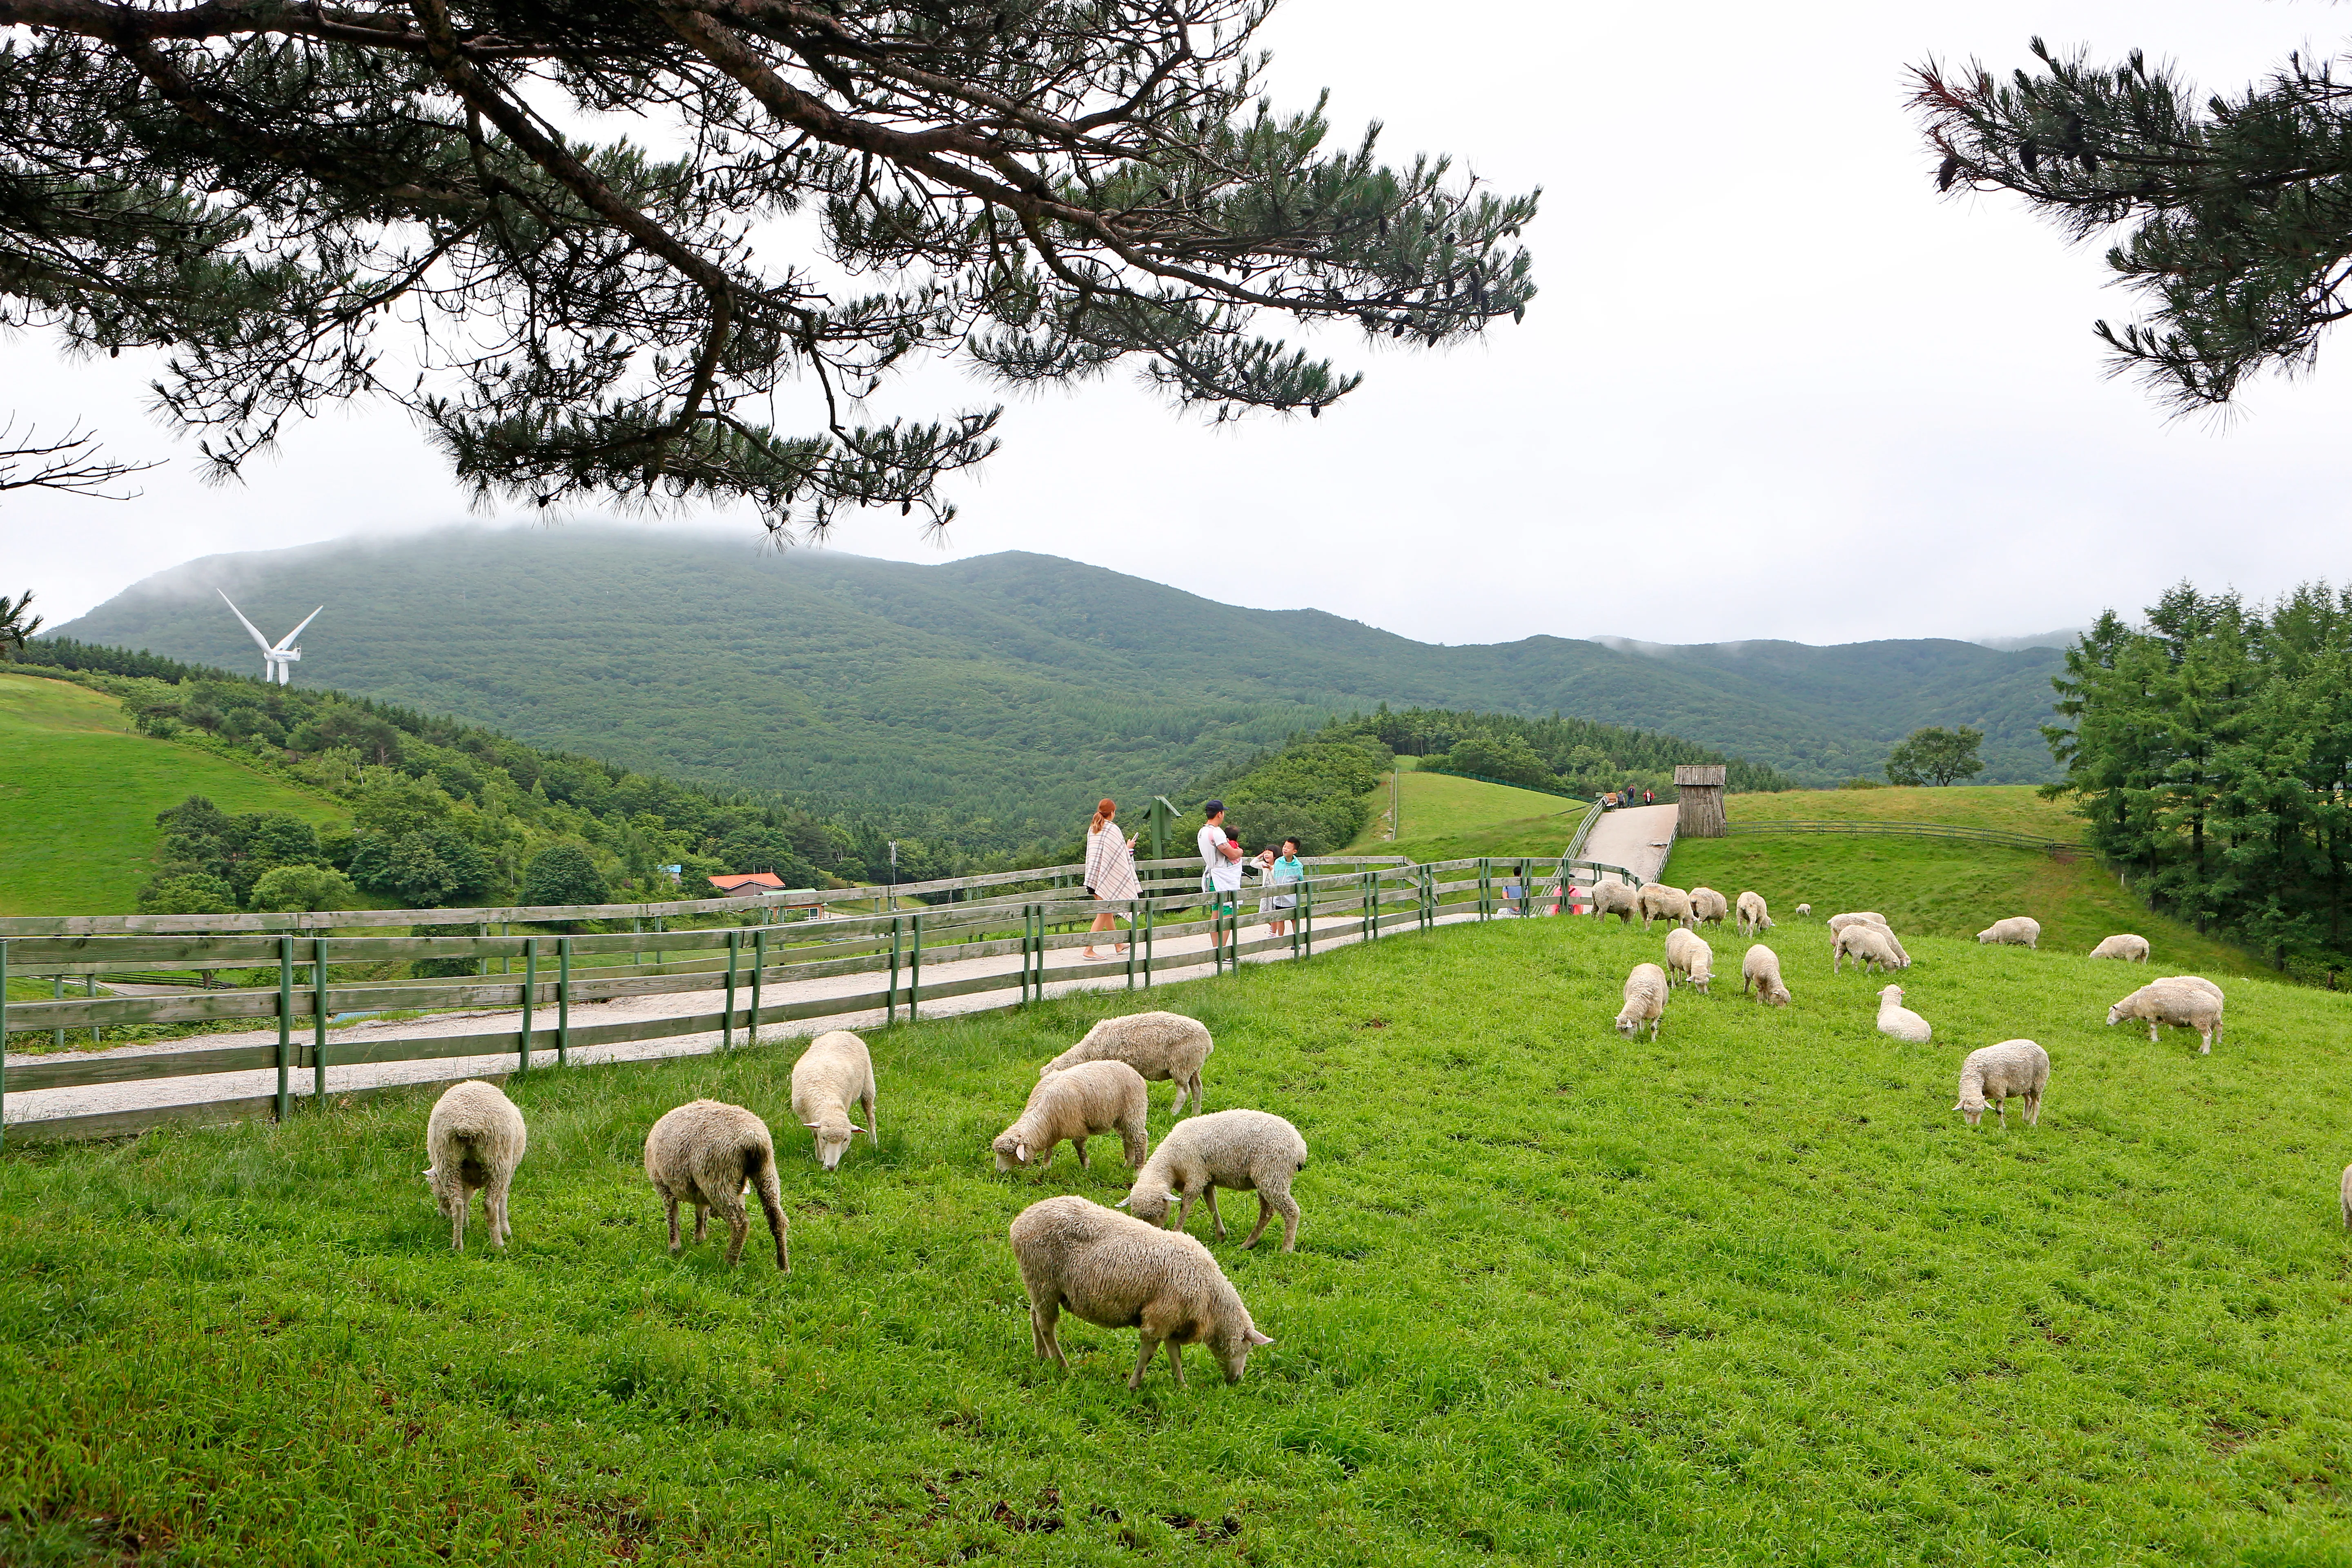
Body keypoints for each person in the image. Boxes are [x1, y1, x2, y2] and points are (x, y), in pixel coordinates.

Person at [1081, 798, 1141, 960]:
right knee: (1103, 913)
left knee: (1108, 912)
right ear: (1113, 813)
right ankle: (1088, 950)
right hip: (1104, 879)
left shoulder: (1093, 829)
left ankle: (1118, 945)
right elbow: (1118, 856)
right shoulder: (1113, 829)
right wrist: (1128, 848)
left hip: (1094, 877)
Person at [1197, 800, 1245, 953]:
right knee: (1227, 913)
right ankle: (1222, 951)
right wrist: (1240, 852)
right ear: (1220, 814)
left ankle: (1216, 949)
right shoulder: (1217, 833)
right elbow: (1231, 853)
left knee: (1215, 913)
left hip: (1211, 876)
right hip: (1222, 877)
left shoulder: (1202, 831)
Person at [1261, 837, 1304, 936]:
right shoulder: (1279, 862)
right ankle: (1281, 940)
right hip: (1279, 897)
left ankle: (1297, 940)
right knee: (1280, 919)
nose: (1285, 849)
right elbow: (1275, 875)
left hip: (1292, 899)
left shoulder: (1298, 866)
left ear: (1294, 851)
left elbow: (1301, 880)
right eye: (1284, 846)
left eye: (1288, 848)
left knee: (1294, 919)